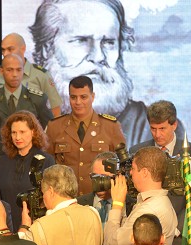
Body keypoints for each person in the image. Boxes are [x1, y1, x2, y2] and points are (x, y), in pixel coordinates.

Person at [29, 0, 177, 147]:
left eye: (108, 42)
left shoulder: (151, 126)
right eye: (81, 40)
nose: (98, 56)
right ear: (47, 47)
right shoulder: (27, 120)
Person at [129, 100, 191, 245]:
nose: (157, 134)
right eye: (153, 128)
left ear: (174, 125)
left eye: (162, 128)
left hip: (178, 238)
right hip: (142, 238)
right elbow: (133, 193)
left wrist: (173, 230)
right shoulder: (137, 152)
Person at [45, 75, 125, 195]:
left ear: (93, 97)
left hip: (99, 198)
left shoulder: (110, 126)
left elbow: (122, 166)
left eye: (83, 97)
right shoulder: (55, 127)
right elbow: (47, 166)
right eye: (73, 97)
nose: (78, 102)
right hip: (66, 197)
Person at [104, 146, 178, 245]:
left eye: (133, 168)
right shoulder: (160, 201)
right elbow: (124, 231)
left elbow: (110, 244)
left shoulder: (147, 211)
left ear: (144, 172)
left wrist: (117, 204)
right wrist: (122, 202)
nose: (130, 173)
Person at [0, 111, 55, 231]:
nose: (17, 137)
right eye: (14, 132)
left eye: (22, 132)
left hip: (36, 227)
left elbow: (52, 199)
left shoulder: (46, 161)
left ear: (33, 132)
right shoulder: (1, 162)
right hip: (7, 227)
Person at [0, 53, 53, 154]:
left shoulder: (38, 99)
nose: (15, 74)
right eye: (9, 70)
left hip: (30, 157)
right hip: (1, 158)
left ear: (23, 71)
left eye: (19, 70)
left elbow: (50, 130)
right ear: (1, 71)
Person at [0, 32, 62, 116]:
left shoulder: (41, 75)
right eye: (3, 50)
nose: (5, 54)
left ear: (23, 49)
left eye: (10, 49)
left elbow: (55, 111)